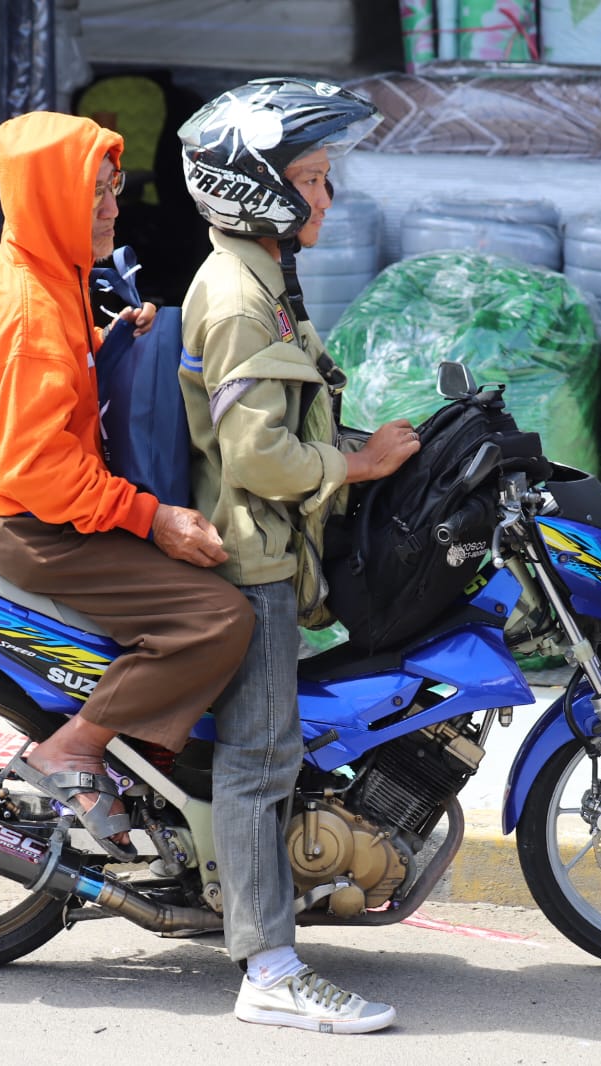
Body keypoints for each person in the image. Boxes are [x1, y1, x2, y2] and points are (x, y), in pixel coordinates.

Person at [0, 111, 254, 863]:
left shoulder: (47, 273)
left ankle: (145, 763)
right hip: (32, 527)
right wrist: (152, 518)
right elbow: (38, 468)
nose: (116, 207)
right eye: (96, 194)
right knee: (220, 617)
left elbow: (53, 398)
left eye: (115, 188)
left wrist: (106, 345)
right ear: (51, 199)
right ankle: (76, 748)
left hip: (41, 512)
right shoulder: (28, 309)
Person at [175, 78, 419, 1034]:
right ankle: (270, 972)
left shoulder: (264, 278)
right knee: (261, 760)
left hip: (275, 546)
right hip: (255, 563)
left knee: (273, 754)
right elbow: (257, 457)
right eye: (311, 179)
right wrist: (356, 465)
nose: (328, 196)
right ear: (259, 190)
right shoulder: (243, 299)